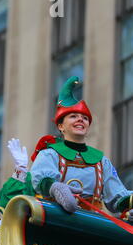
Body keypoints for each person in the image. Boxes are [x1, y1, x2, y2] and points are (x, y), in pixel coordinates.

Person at [28, 77, 132, 218]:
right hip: (56, 219)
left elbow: (117, 196)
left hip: (92, 223)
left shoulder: (101, 161)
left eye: (84, 118)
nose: (80, 120)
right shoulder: (49, 154)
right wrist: (55, 188)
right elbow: (40, 180)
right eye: (73, 116)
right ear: (60, 126)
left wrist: (130, 204)